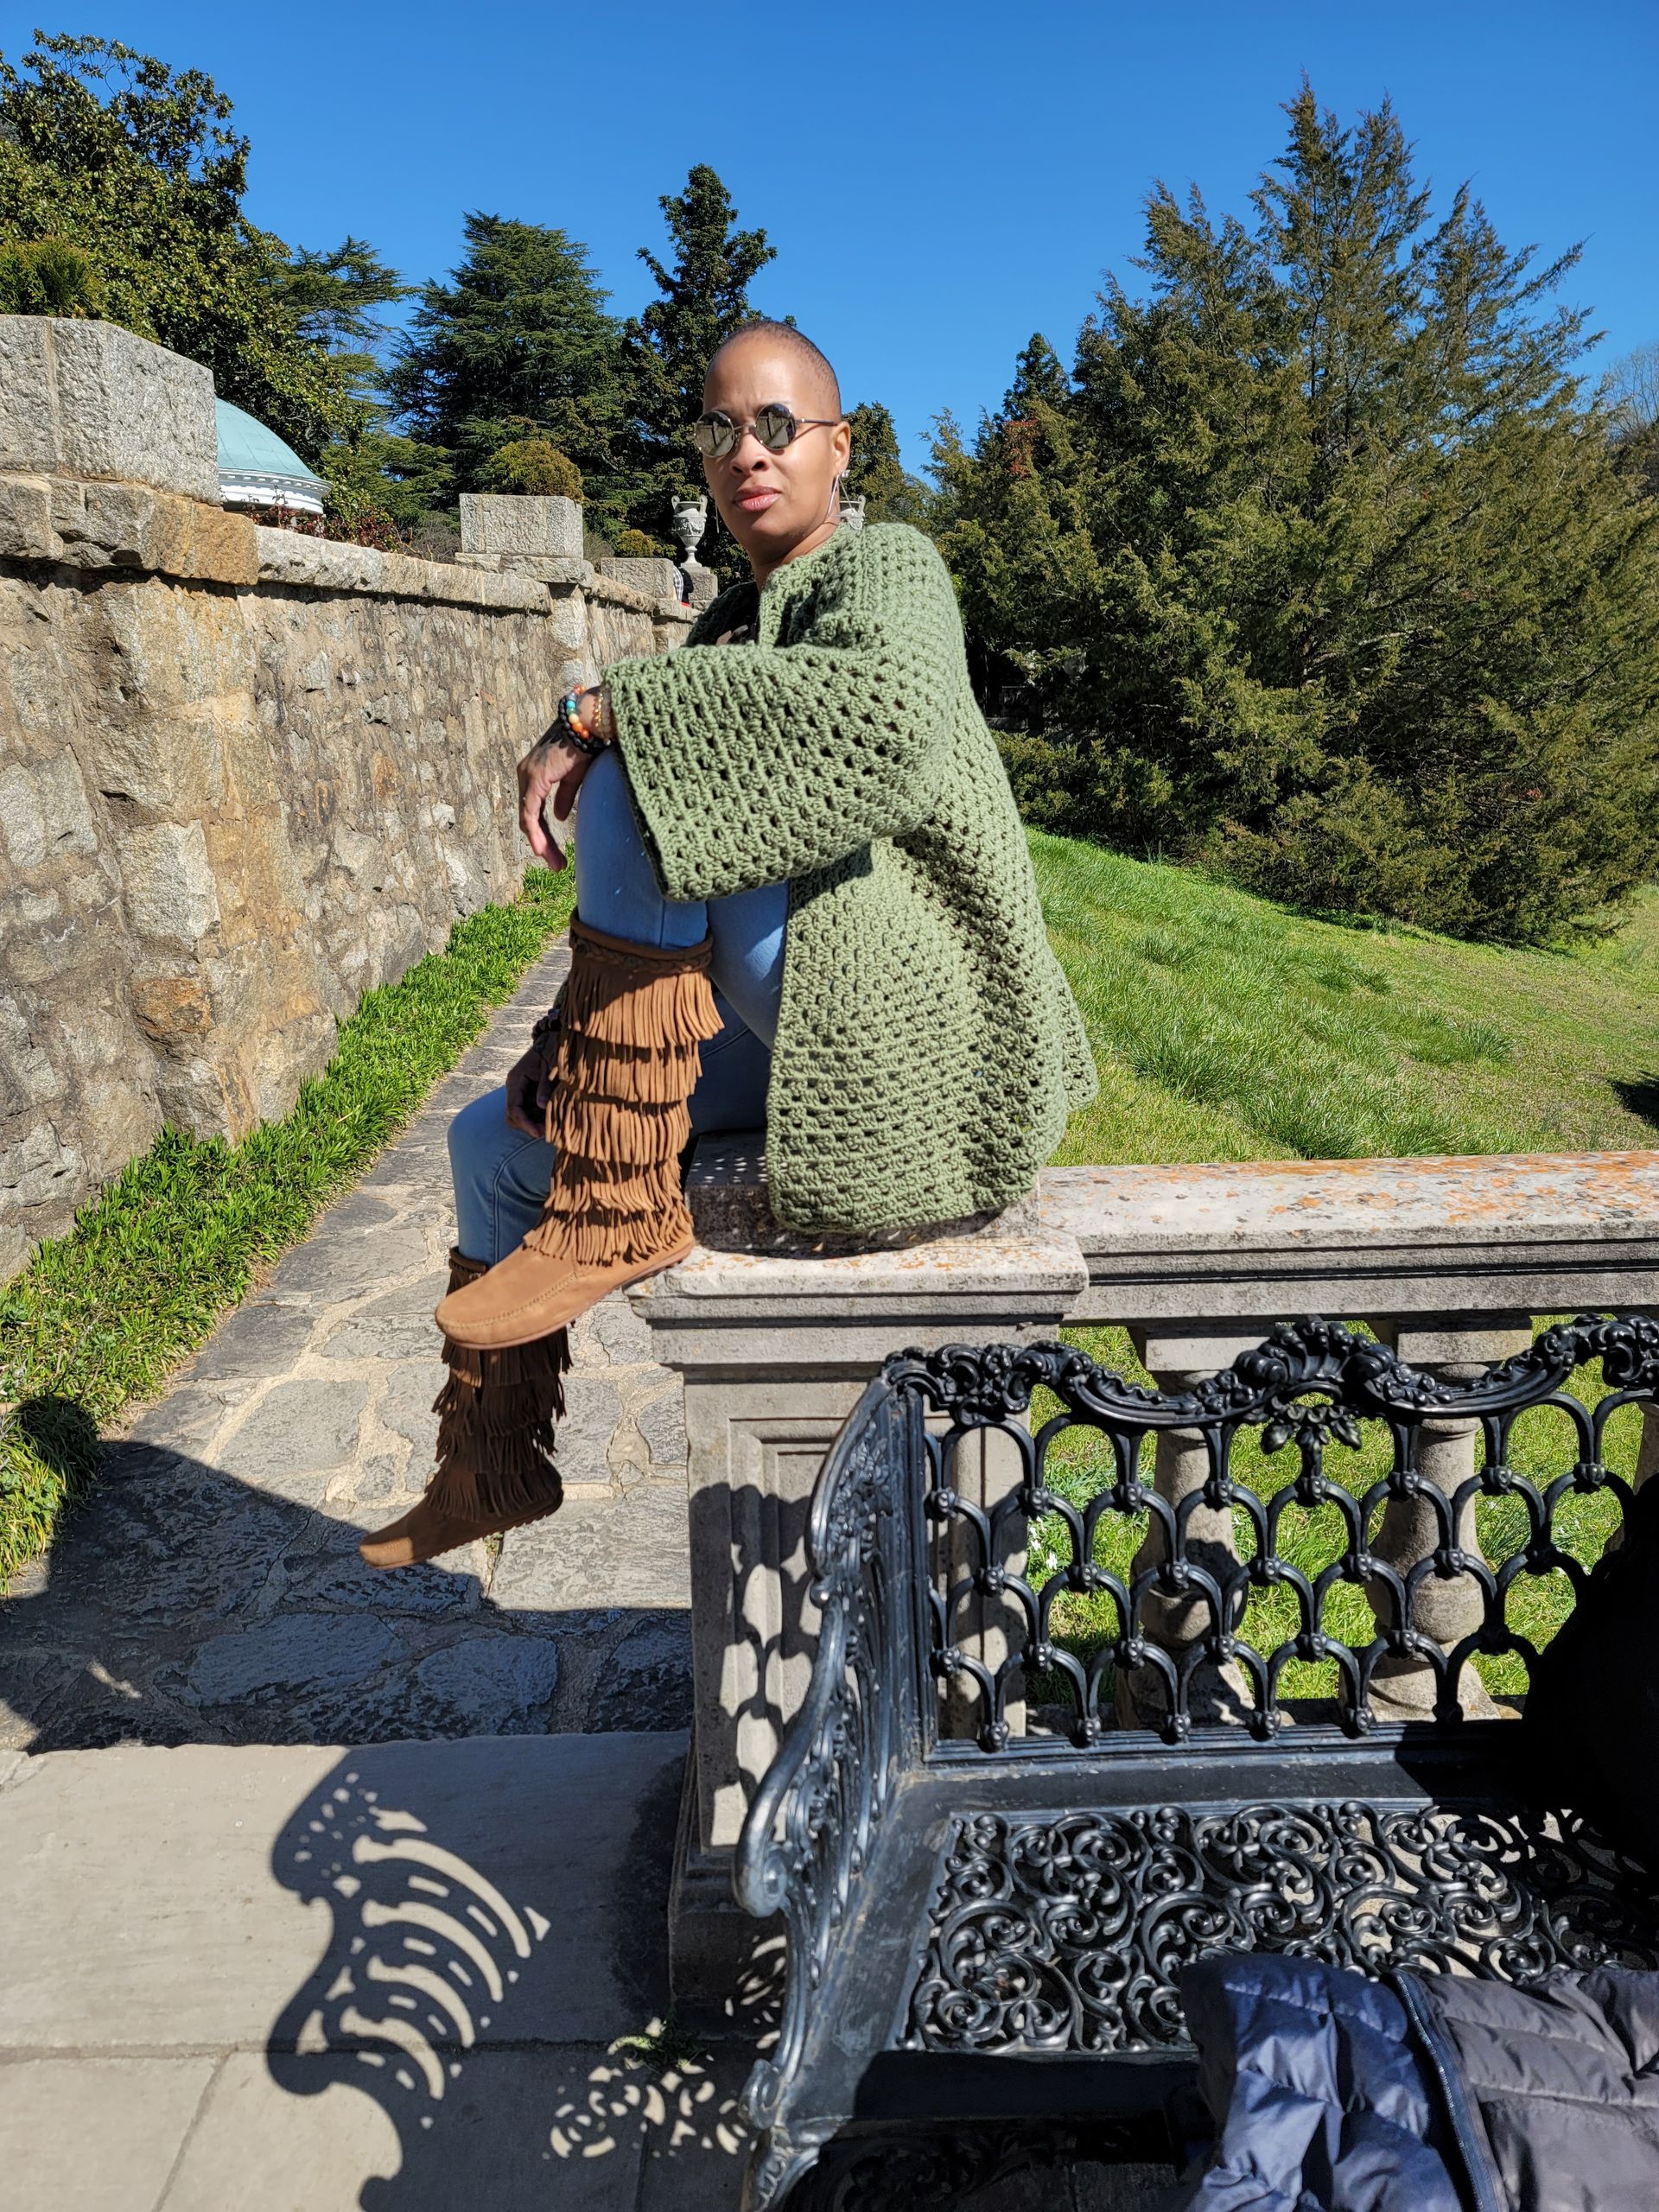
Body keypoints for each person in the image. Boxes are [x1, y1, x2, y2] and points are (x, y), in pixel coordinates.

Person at [359, 321, 1096, 1570]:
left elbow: (888, 721)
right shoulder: (732, 627)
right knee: (489, 1141)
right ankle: (488, 1462)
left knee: (641, 770)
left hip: (915, 1007)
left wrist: (595, 711)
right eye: (719, 430)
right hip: (799, 1000)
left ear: (836, 448)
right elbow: (671, 901)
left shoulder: (891, 571)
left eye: (776, 427)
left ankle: (612, 1209)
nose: (746, 454)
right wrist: (570, 1045)